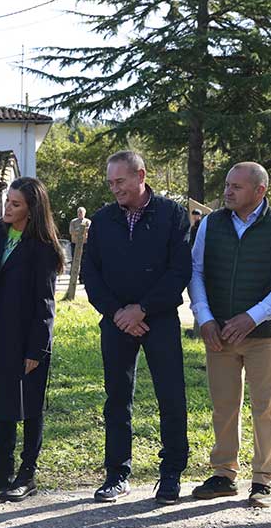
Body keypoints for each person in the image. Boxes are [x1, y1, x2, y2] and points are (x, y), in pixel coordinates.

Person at [80, 151, 192, 504]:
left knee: (170, 395)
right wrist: (119, 314)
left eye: (121, 181)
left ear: (140, 175)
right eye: (111, 183)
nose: (115, 189)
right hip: (116, 323)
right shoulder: (102, 220)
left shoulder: (172, 215)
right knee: (117, 398)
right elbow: (91, 274)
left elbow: (179, 271)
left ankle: (171, 472)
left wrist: (142, 310)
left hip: (158, 319)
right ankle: (116, 474)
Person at [189, 162, 271, 508]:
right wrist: (204, 317)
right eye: (227, 185)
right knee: (223, 405)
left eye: (236, 187)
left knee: (266, 407)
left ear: (260, 191)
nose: (227, 191)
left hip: (263, 334)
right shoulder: (211, 223)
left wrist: (251, 318)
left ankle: (263, 478)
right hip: (218, 333)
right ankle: (224, 473)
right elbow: (196, 270)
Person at [0, 177, 63, 502]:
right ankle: (1, 471)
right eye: (7, 201)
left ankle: (27, 474)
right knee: (3, 402)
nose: (7, 208)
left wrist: (38, 347)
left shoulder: (43, 247)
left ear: (31, 209)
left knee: (31, 406)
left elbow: (45, 302)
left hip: (28, 338)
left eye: (15, 204)